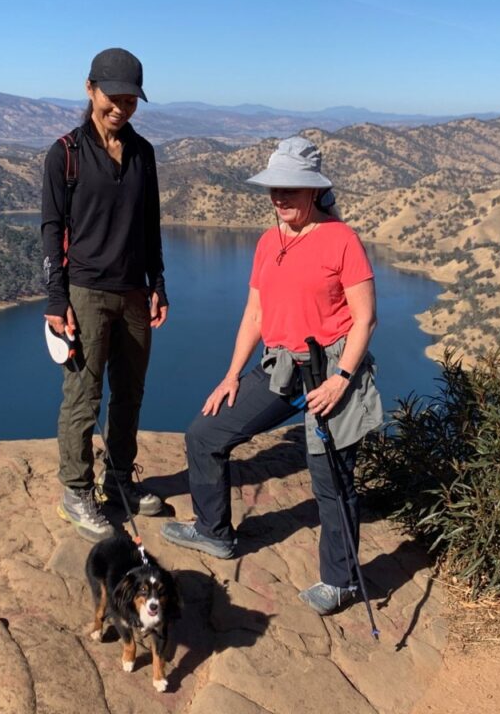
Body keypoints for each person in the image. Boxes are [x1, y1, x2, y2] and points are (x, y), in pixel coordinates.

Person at [161, 136, 383, 615]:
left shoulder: (341, 240)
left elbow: (365, 319)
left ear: (315, 192)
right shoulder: (268, 242)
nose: (280, 197)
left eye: (291, 189)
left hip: (330, 371)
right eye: (274, 189)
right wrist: (232, 375)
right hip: (279, 368)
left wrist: (342, 379)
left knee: (331, 480)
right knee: (204, 434)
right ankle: (213, 532)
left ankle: (340, 581)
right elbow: (255, 314)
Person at [42, 47, 169, 542]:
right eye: (112, 95)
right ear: (90, 89)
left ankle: (117, 481)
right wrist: (57, 299)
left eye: (131, 98)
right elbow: (52, 231)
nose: (121, 106)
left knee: (130, 394)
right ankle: (76, 491)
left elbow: (150, 225)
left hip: (133, 293)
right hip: (86, 293)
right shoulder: (66, 154)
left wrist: (157, 284)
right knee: (84, 396)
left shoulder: (144, 153)